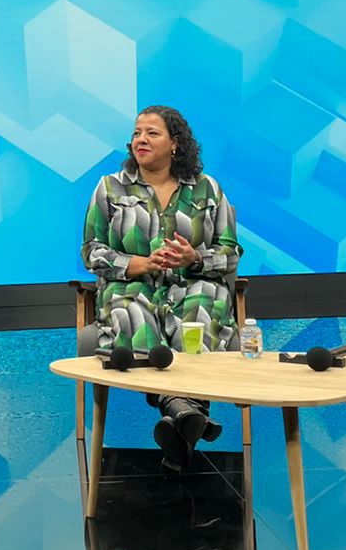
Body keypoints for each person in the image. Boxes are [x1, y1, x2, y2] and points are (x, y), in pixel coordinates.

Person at [81, 105, 241, 469]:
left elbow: (230, 253)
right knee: (133, 313)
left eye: (152, 133)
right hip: (132, 287)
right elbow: (91, 250)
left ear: (175, 143)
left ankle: (180, 418)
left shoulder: (207, 188)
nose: (141, 140)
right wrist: (137, 264)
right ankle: (186, 410)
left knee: (202, 309)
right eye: (137, 133)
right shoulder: (110, 187)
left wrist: (194, 258)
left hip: (193, 287)